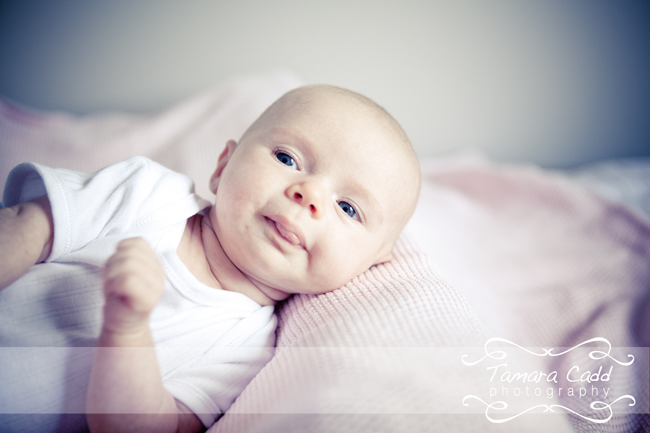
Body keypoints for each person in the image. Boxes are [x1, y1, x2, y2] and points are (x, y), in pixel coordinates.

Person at [0, 85, 421, 433]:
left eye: (348, 208)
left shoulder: (247, 350)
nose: (308, 193)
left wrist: (127, 329)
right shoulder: (147, 193)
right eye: (287, 158)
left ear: (372, 262)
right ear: (223, 166)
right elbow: (26, 225)